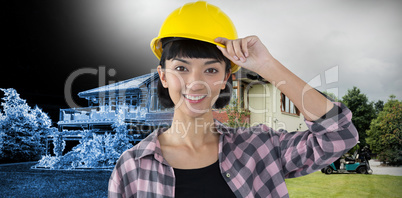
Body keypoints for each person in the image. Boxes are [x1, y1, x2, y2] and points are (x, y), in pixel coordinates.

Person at [108, 1, 358, 197]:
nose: (195, 82)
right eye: (182, 68)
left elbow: (339, 135)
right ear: (162, 76)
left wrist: (267, 65)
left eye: (211, 70)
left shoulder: (259, 149)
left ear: (226, 77)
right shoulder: (132, 166)